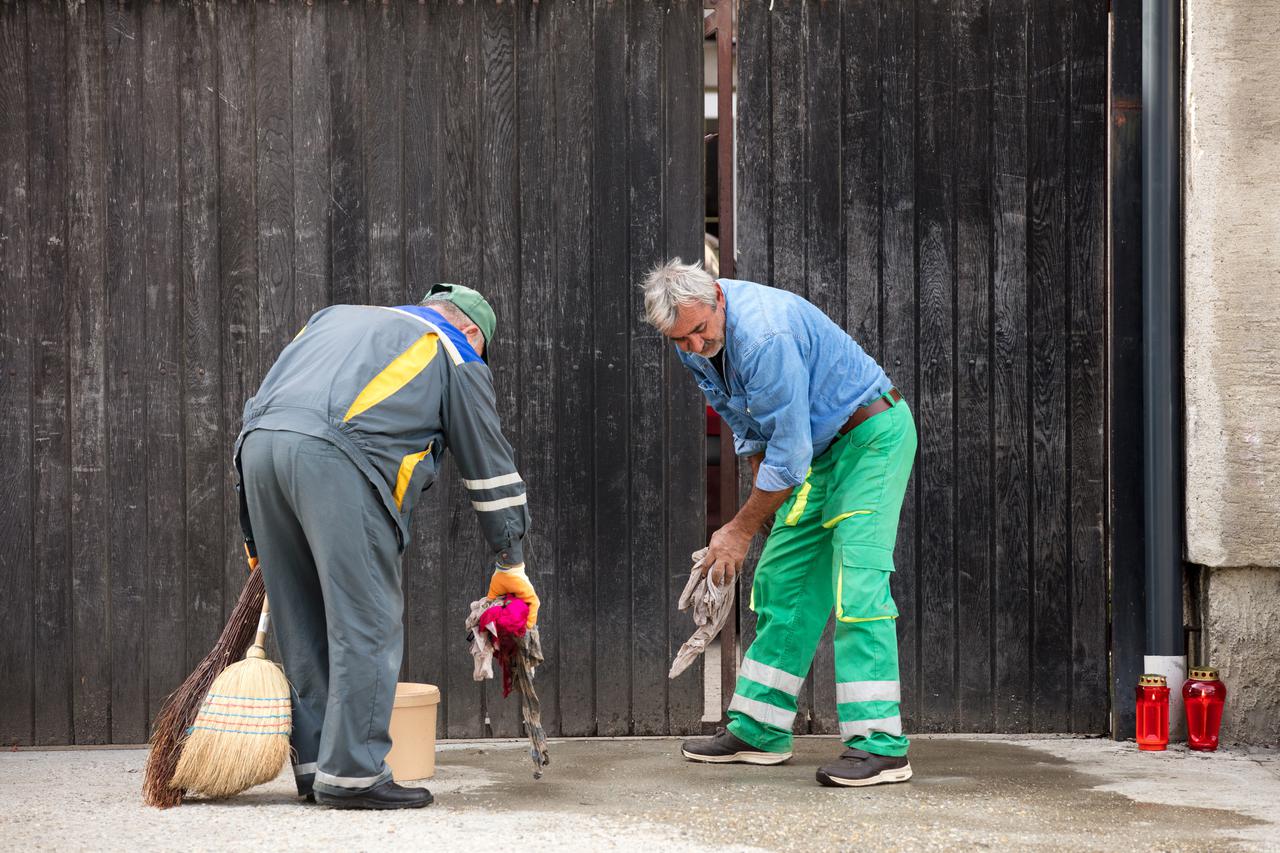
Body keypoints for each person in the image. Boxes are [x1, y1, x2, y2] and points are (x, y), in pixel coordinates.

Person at [234, 284, 539, 809]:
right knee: (366, 619)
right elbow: (488, 466)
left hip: (258, 452)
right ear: (471, 331)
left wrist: (252, 533)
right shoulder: (453, 348)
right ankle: (353, 773)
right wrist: (510, 559)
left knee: (301, 617)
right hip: (339, 461)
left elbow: (265, 404)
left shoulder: (329, 319)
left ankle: (315, 766)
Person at [642, 259, 917, 788]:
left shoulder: (766, 335)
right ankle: (760, 729)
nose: (696, 346)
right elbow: (751, 430)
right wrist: (760, 512)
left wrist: (738, 530)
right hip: (814, 453)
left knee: (857, 584)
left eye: (701, 330)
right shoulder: (697, 345)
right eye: (681, 340)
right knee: (781, 580)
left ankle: (880, 746)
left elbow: (786, 456)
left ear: (718, 299)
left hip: (869, 439)